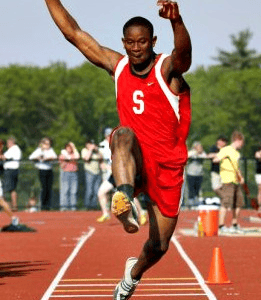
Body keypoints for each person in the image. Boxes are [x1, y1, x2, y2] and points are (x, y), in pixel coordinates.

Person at [45, 1, 191, 299]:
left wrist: (177, 21)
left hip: (167, 166)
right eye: (130, 42)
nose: (136, 48)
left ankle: (132, 274)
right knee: (122, 134)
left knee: (159, 246)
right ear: (123, 43)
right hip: (134, 159)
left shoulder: (166, 69)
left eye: (142, 42)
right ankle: (124, 197)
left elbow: (184, 56)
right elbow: (73, 33)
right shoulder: (118, 65)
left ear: (153, 42)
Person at [213, 131, 245, 234]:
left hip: (236, 180)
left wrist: (241, 177)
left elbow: (237, 166)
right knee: (226, 202)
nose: (242, 144)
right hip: (227, 180)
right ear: (237, 140)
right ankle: (221, 226)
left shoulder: (236, 153)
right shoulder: (226, 150)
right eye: (241, 142)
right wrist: (220, 158)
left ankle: (234, 224)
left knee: (239, 203)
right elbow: (215, 159)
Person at [29, 137, 57, 210]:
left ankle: (48, 206)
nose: (47, 145)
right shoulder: (38, 150)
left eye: (49, 144)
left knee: (49, 188)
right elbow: (31, 157)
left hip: (49, 170)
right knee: (44, 187)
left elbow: (54, 157)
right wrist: (38, 158)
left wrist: (47, 158)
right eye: (46, 144)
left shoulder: (51, 150)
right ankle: (43, 206)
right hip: (42, 170)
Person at [0, 137, 22, 211]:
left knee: (8, 189)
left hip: (11, 170)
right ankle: (13, 206)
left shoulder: (14, 149)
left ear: (10, 142)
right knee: (11, 189)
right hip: (12, 170)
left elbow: (4, 157)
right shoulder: (14, 149)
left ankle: (11, 206)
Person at [81, 139, 102, 210]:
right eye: (90, 144)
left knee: (97, 191)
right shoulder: (84, 150)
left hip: (97, 172)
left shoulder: (96, 152)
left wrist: (97, 150)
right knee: (89, 190)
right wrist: (90, 150)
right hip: (89, 172)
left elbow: (101, 158)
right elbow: (86, 158)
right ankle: (87, 206)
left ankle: (94, 206)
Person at [59, 142, 80, 211]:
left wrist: (74, 147)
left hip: (74, 173)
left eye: (71, 147)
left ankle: (73, 207)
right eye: (68, 147)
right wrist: (66, 159)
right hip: (65, 173)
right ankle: (64, 207)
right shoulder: (62, 155)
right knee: (65, 190)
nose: (70, 149)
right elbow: (61, 165)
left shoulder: (74, 154)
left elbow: (77, 157)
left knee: (73, 191)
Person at [185, 141, 206, 208]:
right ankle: (190, 203)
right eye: (198, 146)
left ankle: (196, 202)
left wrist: (200, 153)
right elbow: (187, 155)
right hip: (191, 174)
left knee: (197, 189)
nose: (200, 148)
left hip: (199, 174)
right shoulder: (192, 152)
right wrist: (196, 152)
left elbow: (205, 156)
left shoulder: (203, 153)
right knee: (191, 189)